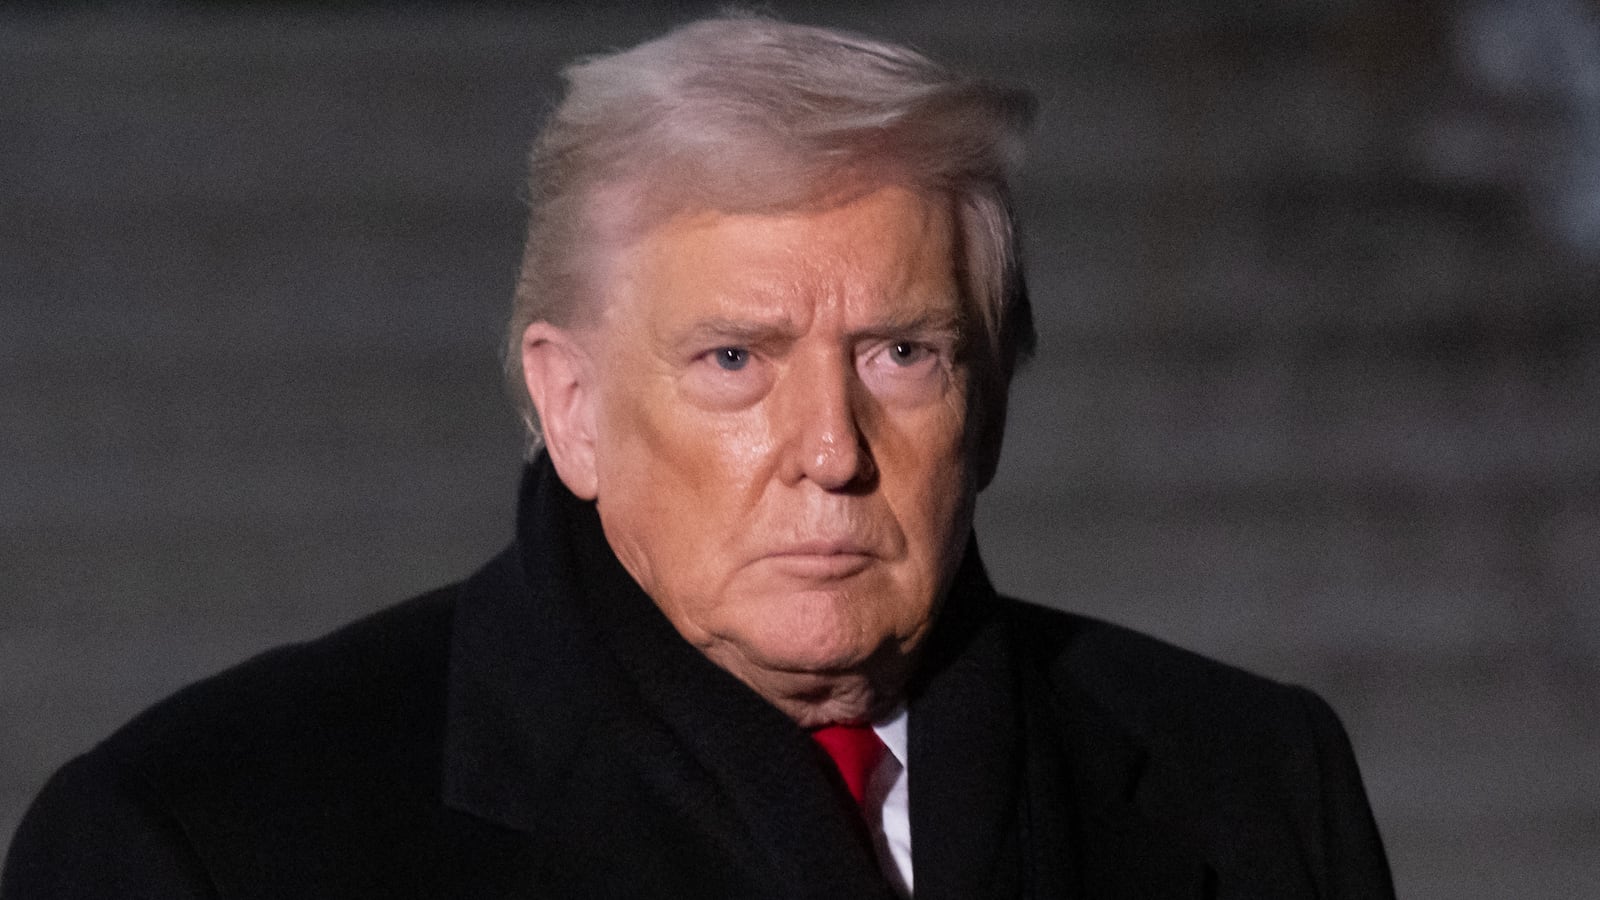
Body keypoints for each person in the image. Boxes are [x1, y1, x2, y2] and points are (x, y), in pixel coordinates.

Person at [2, 14, 1394, 900]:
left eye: (902, 352)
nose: (830, 450)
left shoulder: (1255, 785)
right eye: (736, 359)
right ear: (575, 407)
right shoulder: (201, 843)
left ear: (991, 403)